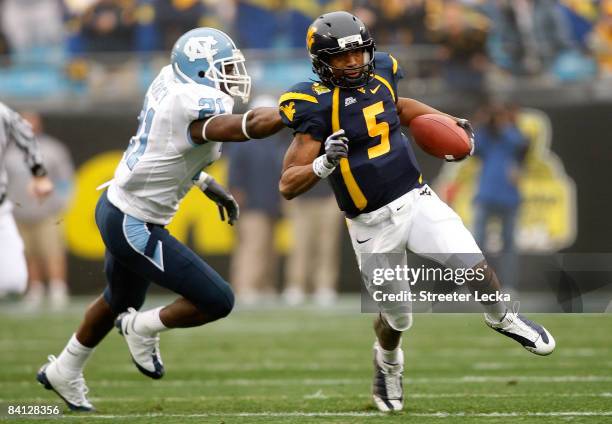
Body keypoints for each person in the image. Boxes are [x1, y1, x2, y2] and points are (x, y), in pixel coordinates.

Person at [277, 11, 555, 412]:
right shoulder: (313, 104)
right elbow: (287, 183)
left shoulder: (385, 71)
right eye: (341, 57)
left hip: (414, 197)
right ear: (322, 61)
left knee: (471, 264)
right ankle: (388, 362)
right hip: (369, 223)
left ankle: (502, 316)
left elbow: (400, 107)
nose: (353, 62)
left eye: (358, 53)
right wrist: (323, 162)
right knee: (398, 318)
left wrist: (439, 118)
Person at [36, 27, 283, 412]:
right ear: (200, 72)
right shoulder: (197, 103)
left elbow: (168, 147)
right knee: (217, 299)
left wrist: (204, 181)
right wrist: (290, 113)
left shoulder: (172, 82)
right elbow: (235, 129)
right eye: (225, 68)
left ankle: (64, 369)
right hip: (134, 223)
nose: (234, 75)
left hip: (117, 205)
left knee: (119, 298)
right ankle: (141, 327)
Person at [5, 112, 75, 310]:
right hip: (18, 213)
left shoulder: (53, 149)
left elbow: (65, 179)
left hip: (47, 212)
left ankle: (57, 288)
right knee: (27, 252)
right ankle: (34, 289)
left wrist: (61, 203)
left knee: (52, 251)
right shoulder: (9, 151)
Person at [228, 95, 286, 304]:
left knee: (269, 249)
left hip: (271, 204)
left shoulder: (275, 142)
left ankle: (264, 286)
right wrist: (238, 203)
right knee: (252, 247)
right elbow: (235, 177)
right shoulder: (243, 143)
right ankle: (245, 286)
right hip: (251, 206)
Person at [0, 103, 54, 299]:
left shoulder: (2, 113)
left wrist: (38, 174)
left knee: (15, 281)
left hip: (2, 209)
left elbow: (24, 130)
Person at [473, 102, 527, 290]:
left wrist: (504, 123)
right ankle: (479, 283)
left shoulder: (513, 137)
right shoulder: (486, 139)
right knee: (477, 243)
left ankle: (509, 285)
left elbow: (519, 142)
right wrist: (483, 122)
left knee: (509, 244)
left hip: (509, 197)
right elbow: (474, 145)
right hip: (486, 195)